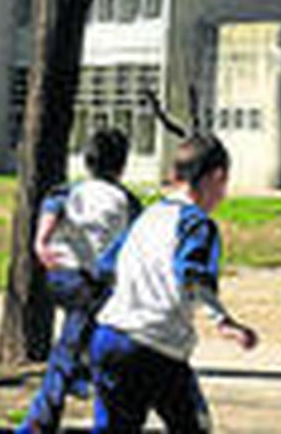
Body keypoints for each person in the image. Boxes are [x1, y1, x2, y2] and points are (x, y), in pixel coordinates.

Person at [90, 133, 259, 433]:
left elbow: (105, 267)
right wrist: (223, 321)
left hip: (109, 338)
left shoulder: (147, 215)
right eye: (224, 184)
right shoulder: (197, 224)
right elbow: (193, 274)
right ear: (217, 177)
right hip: (155, 348)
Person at [18, 127, 140, 434]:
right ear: (121, 165)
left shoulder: (69, 190)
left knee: (83, 336)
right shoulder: (127, 201)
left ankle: (72, 392)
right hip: (94, 284)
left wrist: (40, 243)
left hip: (60, 275)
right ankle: (45, 416)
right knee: (75, 347)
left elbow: (51, 210)